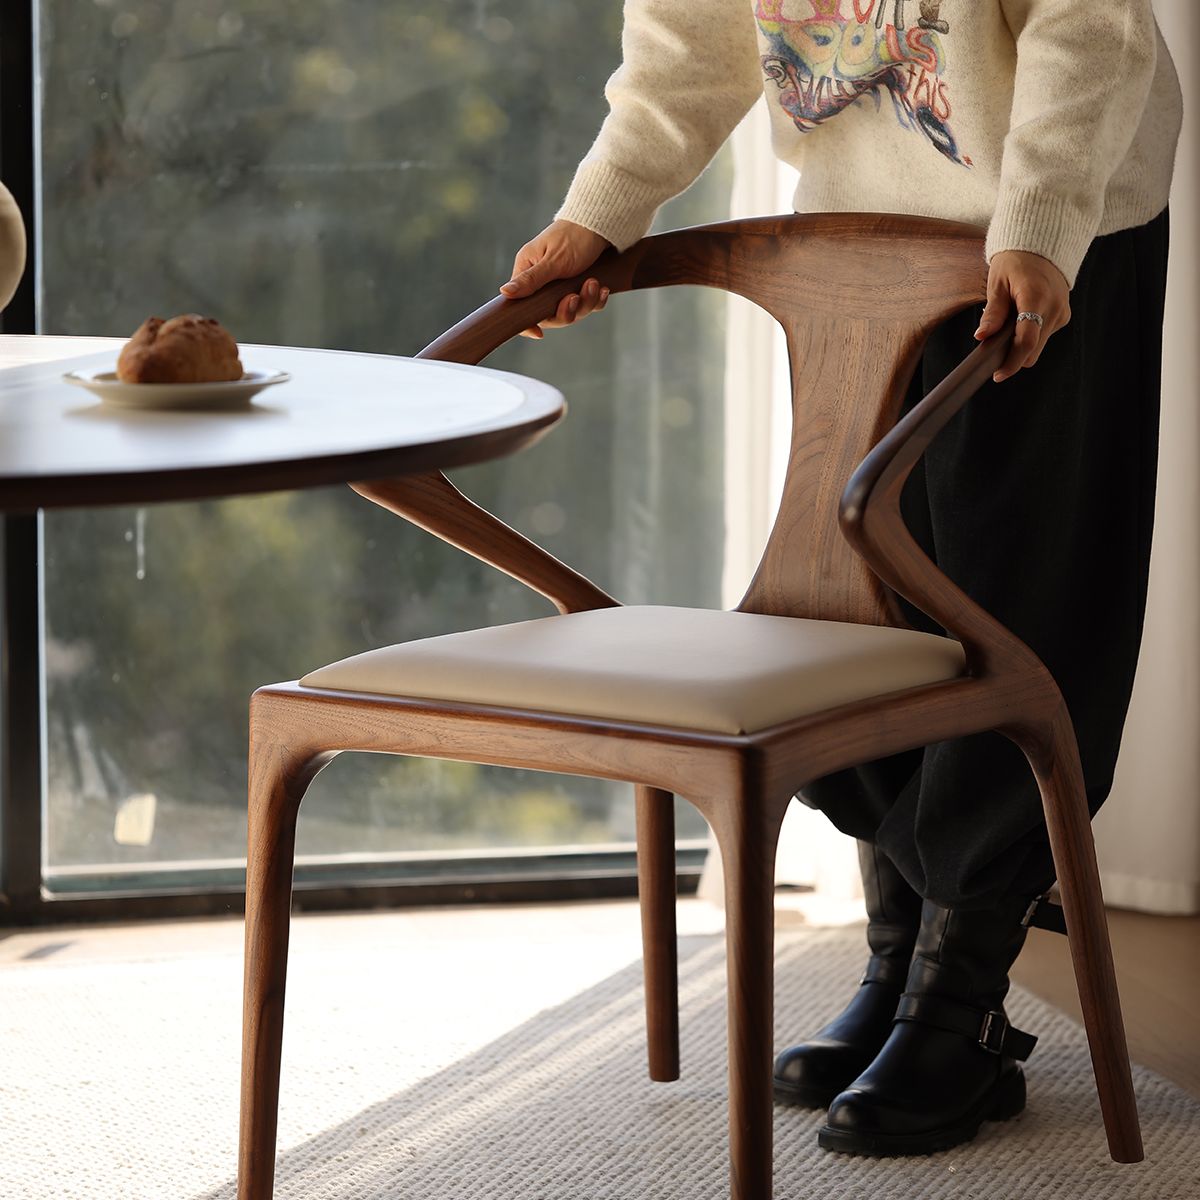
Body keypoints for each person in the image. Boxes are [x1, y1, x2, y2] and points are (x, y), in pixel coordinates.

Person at [499, 0, 1182, 1159]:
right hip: (865, 227)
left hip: (1048, 230)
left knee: (1019, 604)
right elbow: (688, 38)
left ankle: (956, 1002)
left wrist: (1042, 217)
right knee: (870, 603)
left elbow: (1093, 25)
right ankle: (897, 952)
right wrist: (602, 210)